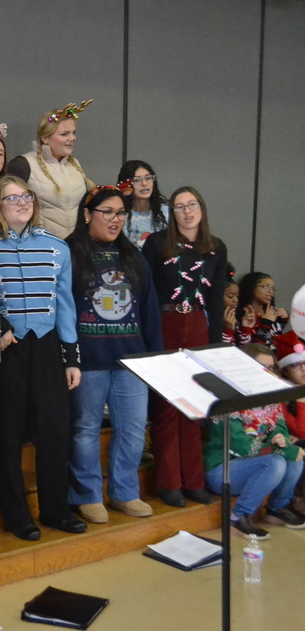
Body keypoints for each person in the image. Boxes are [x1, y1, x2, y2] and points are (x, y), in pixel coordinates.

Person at [0, 176, 85, 541]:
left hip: (46, 347)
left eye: (26, 197)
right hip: (7, 347)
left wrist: (71, 357)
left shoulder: (57, 247)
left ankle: (56, 510)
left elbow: (66, 305)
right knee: (6, 433)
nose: (22, 203)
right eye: (12, 199)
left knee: (55, 431)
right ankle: (16, 515)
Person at [66, 185, 163, 524]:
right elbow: (62, 309)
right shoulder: (69, 251)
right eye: (106, 212)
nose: (115, 219)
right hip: (89, 359)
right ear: (88, 214)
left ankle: (124, 492)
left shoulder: (133, 254)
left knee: (134, 427)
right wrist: (68, 358)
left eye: (121, 213)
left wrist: (155, 356)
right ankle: (87, 494)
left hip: (131, 360)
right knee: (86, 428)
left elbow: (149, 308)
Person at [141, 186, 226, 508]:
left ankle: (193, 481)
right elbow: (146, 294)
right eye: (179, 207)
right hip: (167, 325)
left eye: (192, 205)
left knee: (194, 408)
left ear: (202, 209)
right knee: (166, 408)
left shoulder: (215, 248)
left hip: (199, 329)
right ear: (171, 213)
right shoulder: (156, 243)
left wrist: (215, 347)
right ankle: (168, 483)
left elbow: (215, 299)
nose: (187, 211)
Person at [203, 342, 305, 539]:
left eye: (271, 368)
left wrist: (283, 441)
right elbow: (242, 446)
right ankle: (238, 517)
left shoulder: (272, 395)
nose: (268, 373)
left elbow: (281, 429)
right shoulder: (228, 398)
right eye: (261, 368)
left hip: (256, 463)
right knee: (276, 462)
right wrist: (283, 450)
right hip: (222, 470)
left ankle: (276, 508)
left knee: (295, 459)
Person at [8, 101, 93, 239]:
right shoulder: (23, 165)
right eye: (65, 134)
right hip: (40, 248)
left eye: (73, 133)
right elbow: (8, 209)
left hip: (75, 248)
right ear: (45, 138)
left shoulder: (75, 165)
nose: (72, 138)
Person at [275, 330, 305, 517]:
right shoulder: (281, 395)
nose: (304, 369)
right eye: (296, 365)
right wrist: (301, 398)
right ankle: (296, 498)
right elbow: (301, 429)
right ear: (285, 370)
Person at [116, 160, 168, 249]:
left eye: (148, 178)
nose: (144, 183)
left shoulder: (167, 211)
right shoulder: (119, 215)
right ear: (126, 184)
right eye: (137, 180)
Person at [237, 271, 289, 347]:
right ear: (252, 287)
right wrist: (266, 323)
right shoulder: (242, 315)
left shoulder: (271, 312)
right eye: (266, 287)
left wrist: (284, 319)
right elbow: (253, 349)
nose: (271, 291)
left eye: (273, 288)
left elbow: (277, 336)